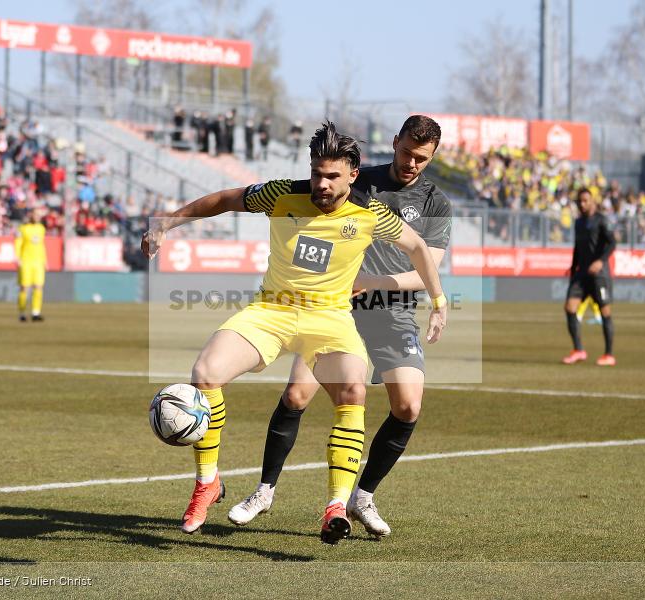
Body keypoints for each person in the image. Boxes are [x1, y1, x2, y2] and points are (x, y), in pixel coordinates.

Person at [141, 122, 448, 544]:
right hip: (272, 311)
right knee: (206, 372)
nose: (321, 184)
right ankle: (207, 483)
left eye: (332, 176)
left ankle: (337, 506)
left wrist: (440, 301)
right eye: (317, 173)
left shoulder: (370, 213)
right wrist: (166, 224)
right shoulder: (283, 193)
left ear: (352, 176)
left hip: (331, 319)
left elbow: (418, 249)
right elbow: (225, 199)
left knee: (352, 392)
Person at [228, 115, 451, 537]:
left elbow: (427, 268)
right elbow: (304, 210)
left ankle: (361, 495)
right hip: (334, 311)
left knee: (408, 406)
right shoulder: (352, 178)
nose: (411, 164)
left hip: (393, 312)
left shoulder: (436, 204)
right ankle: (264, 490)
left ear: (433, 156)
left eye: (421, 158)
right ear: (394, 143)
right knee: (296, 394)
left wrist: (372, 283)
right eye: (405, 153)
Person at [563, 188, 616, 366]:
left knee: (605, 311)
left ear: (592, 201)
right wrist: (572, 268)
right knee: (570, 307)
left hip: (599, 275)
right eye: (580, 201)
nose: (582, 204)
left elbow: (612, 243)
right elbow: (577, 248)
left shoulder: (601, 221)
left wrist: (601, 261)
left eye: (585, 201)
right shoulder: (578, 223)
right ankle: (578, 350)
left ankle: (608, 354)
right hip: (581, 273)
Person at [15, 207, 47, 322]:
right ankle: (22, 312)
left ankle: (36, 312)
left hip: (38, 262)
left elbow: (42, 245)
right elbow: (18, 243)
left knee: (38, 287)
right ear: (31, 215)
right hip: (26, 261)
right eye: (35, 215)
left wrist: (45, 260)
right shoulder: (23, 228)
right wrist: (18, 258)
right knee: (24, 288)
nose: (37, 217)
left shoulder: (41, 229)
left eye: (39, 215)